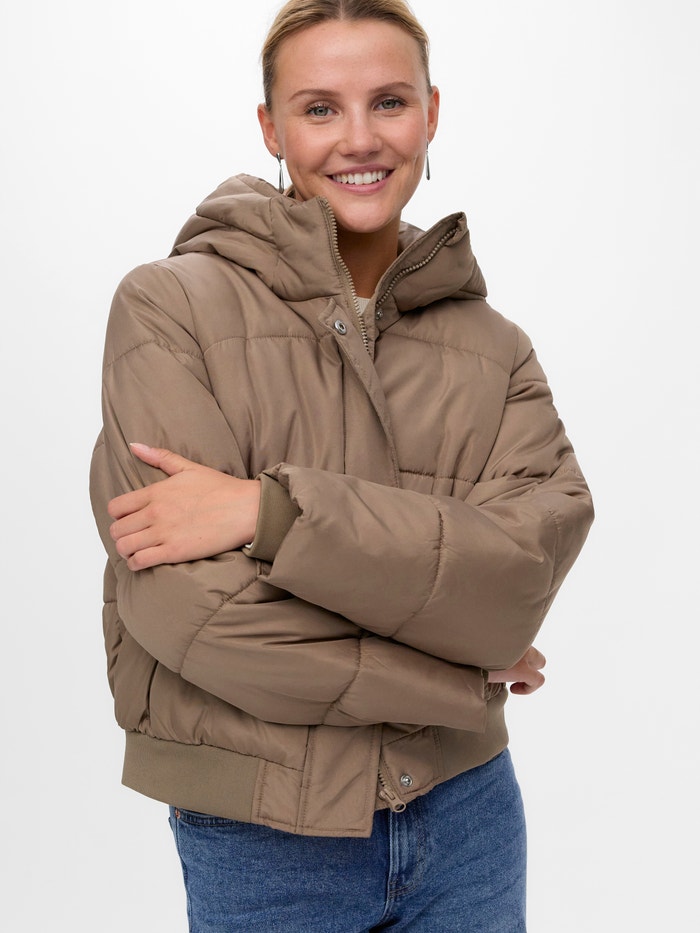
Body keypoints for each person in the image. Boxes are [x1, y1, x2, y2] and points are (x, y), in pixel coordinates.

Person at [90, 1, 594, 929]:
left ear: (432, 114)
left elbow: (518, 578)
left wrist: (268, 514)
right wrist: (462, 673)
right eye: (319, 108)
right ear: (270, 127)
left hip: (469, 815)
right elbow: (192, 612)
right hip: (263, 833)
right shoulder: (169, 309)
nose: (359, 139)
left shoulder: (496, 347)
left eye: (389, 102)